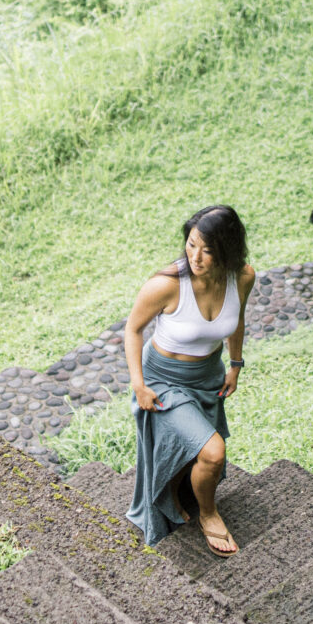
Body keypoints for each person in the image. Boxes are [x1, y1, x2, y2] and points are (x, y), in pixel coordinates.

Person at [124, 205, 255, 557]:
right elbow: (133, 330)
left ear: (227, 251)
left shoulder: (241, 276)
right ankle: (209, 514)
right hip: (163, 379)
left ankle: (180, 493)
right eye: (191, 244)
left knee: (193, 450)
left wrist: (236, 364)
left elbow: (236, 320)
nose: (195, 257)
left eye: (208, 250)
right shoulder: (166, 285)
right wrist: (139, 384)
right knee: (212, 452)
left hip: (208, 375)